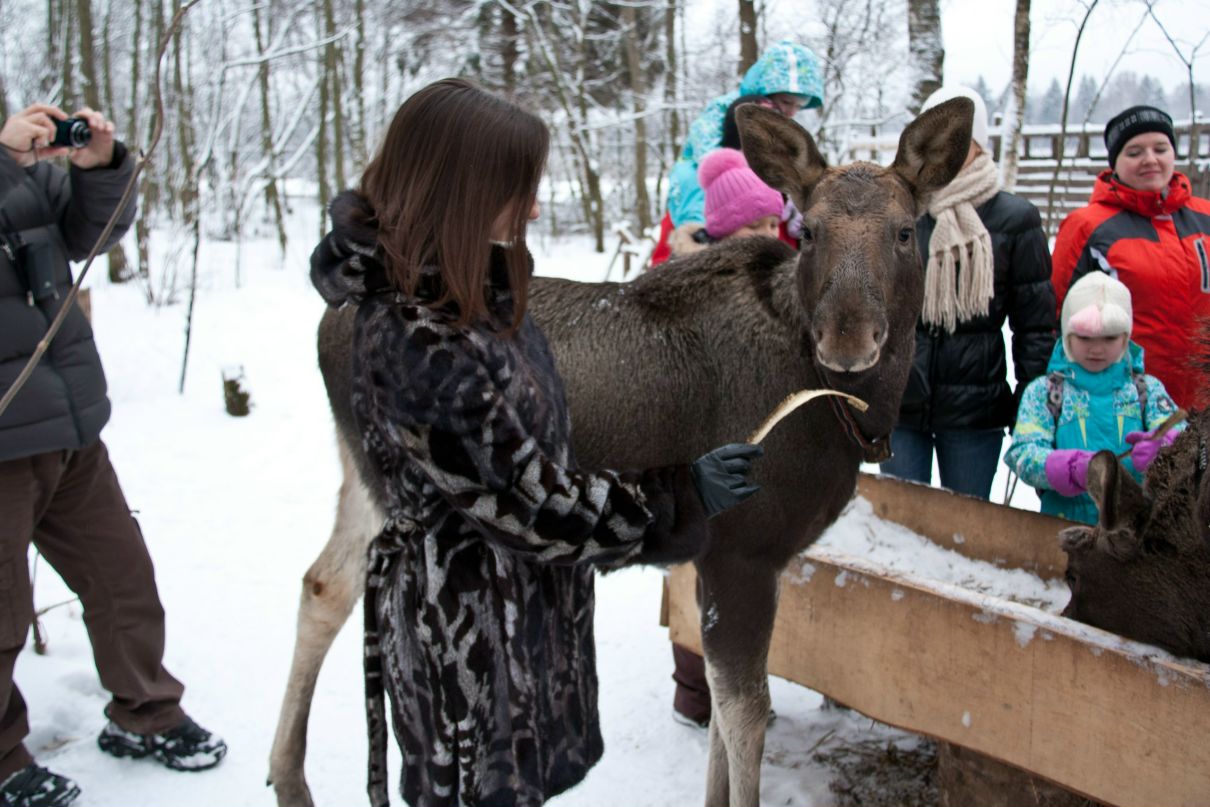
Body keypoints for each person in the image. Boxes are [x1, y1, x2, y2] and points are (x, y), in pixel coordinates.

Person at [308, 78, 763, 807]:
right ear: (462, 189)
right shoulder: (419, 340)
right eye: (518, 188)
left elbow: (529, 455)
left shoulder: (470, 296)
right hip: (468, 642)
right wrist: (679, 495)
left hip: (516, 619)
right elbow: (529, 502)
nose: (535, 206)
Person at [0, 104, 225, 807]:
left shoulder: (22, 174)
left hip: (66, 423)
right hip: (4, 432)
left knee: (120, 575)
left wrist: (99, 168)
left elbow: (88, 236)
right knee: (2, 610)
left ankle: (145, 713)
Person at [878, 85, 1056, 500]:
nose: (949, 152)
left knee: (968, 526)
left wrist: (1032, 405)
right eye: (936, 142)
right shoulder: (897, 212)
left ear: (980, 145)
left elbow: (1034, 324)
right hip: (902, 401)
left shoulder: (1015, 218)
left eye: (962, 142)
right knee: (901, 527)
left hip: (977, 411)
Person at [1051, 105, 1210, 411]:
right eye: (1134, 152)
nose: (1150, 159)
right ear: (1115, 162)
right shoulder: (1087, 226)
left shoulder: (1205, 216)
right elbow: (1056, 317)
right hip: (1125, 406)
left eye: (1160, 148)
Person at [1004, 271, 1181, 524]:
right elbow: (1023, 453)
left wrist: (1163, 450)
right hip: (1062, 534)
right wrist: (1064, 467)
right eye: (1085, 338)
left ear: (1126, 338)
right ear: (1066, 337)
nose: (1097, 349)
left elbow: (1187, 441)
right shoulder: (1045, 393)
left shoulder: (1146, 391)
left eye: (1109, 338)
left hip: (1136, 537)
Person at [648, 40, 824, 266]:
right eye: (786, 101)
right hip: (705, 171)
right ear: (766, 90)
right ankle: (694, 249)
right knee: (696, 196)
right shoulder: (726, 108)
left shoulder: (779, 125)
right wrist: (736, 178)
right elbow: (709, 149)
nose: (791, 110)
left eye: (799, 105)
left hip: (752, 184)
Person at [667, 147, 782, 256]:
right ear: (722, 233)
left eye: (773, 225)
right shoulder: (700, 273)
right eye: (753, 226)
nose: (769, 235)